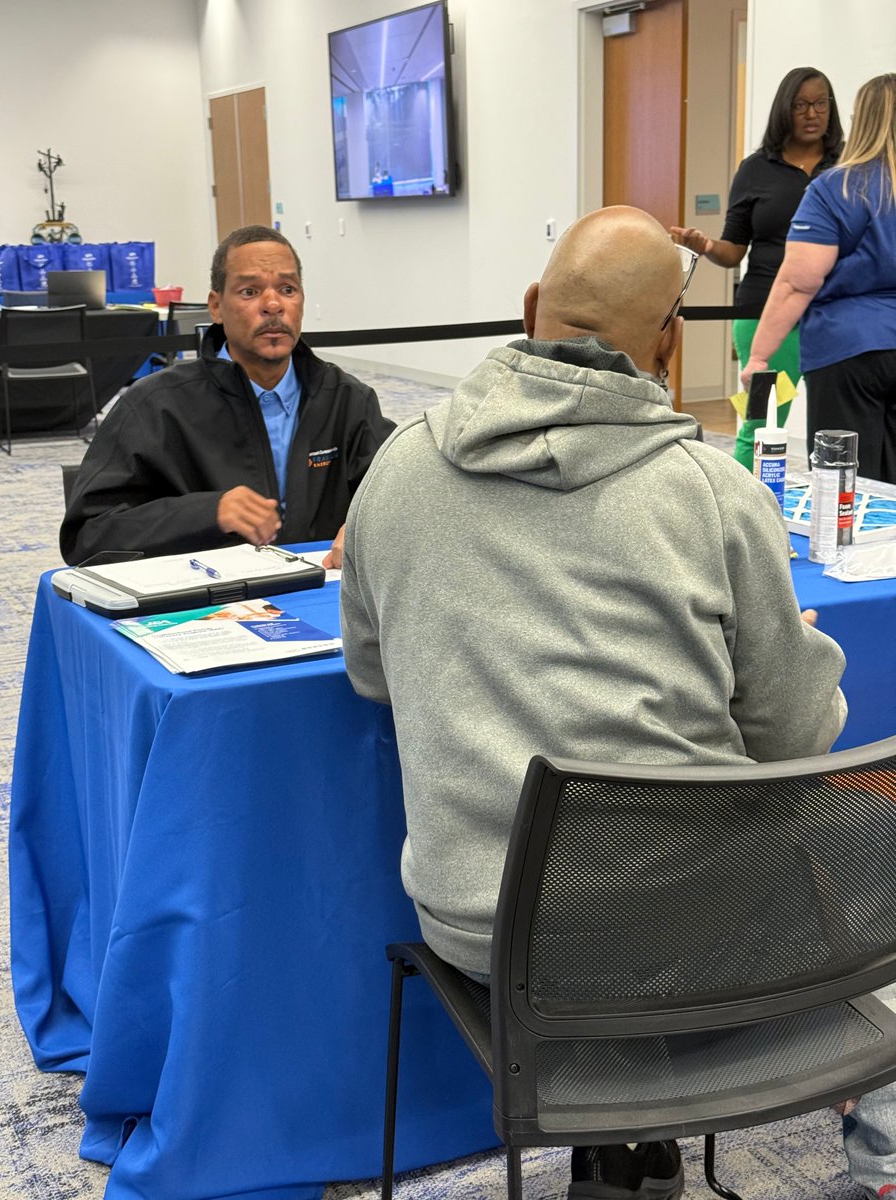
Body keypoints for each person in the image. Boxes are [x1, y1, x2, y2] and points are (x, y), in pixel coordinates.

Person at [339, 206, 847, 1200]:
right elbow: (796, 732)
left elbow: (371, 674)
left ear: (531, 310)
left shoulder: (393, 474)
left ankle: (618, 1152)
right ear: (668, 345)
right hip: (697, 933)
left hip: (486, 934)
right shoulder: (711, 492)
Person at [59, 225, 394, 566]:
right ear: (216, 307)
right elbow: (88, 536)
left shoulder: (346, 400)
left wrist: (359, 530)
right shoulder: (155, 406)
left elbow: (408, 498)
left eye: (288, 289)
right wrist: (208, 512)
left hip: (320, 599)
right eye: (250, 291)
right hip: (202, 607)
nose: (273, 305)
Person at [672, 66, 843, 470]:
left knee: (840, 429)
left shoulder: (848, 165)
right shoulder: (756, 169)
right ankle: (741, 518)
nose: (812, 113)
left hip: (833, 316)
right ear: (785, 110)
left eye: (820, 103)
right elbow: (734, 250)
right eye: (801, 105)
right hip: (765, 314)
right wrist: (707, 245)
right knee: (762, 423)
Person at [742, 73, 896, 486]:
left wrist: (759, 357)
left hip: (848, 352)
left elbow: (798, 282)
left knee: (845, 486)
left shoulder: (837, 188)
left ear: (861, 119)